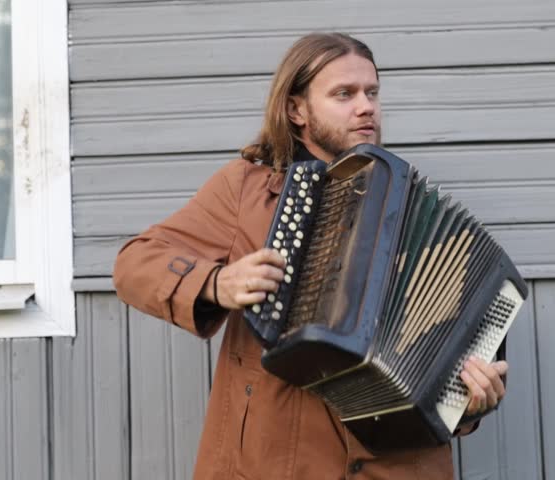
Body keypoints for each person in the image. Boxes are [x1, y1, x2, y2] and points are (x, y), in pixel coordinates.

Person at [113, 32, 509, 480]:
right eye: (344, 94)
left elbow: (451, 364)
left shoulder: (416, 213)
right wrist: (216, 283)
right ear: (296, 110)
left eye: (372, 93)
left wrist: (469, 404)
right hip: (276, 464)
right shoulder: (246, 190)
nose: (366, 107)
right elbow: (134, 263)